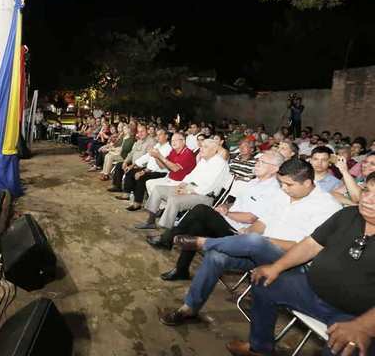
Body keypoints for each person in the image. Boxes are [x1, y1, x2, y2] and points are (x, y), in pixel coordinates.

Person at [159, 159, 341, 327]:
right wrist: (244, 239)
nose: (284, 188)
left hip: (289, 262)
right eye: (281, 184)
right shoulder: (283, 195)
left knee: (256, 241)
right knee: (217, 257)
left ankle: (203, 242)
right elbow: (262, 223)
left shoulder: (327, 207)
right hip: (257, 250)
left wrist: (259, 241)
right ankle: (189, 308)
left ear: (308, 183)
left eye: (289, 185)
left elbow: (304, 247)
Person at [227, 172, 375, 356]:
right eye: (367, 190)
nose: (367, 199)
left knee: (346, 347)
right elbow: (311, 245)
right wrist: (276, 267)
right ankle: (259, 347)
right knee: (264, 280)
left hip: (356, 315)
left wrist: (364, 326)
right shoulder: (347, 215)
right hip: (311, 290)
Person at [148, 150, 284, 282]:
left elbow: (251, 218)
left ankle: (168, 238)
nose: (257, 163)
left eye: (262, 162)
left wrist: (228, 213)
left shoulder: (273, 191)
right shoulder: (254, 182)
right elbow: (238, 204)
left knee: (201, 210)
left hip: (239, 234)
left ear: (274, 169)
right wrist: (226, 206)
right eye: (258, 160)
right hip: (227, 222)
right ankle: (181, 270)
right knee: (197, 226)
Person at [136, 138, 229, 229]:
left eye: (205, 147)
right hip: (191, 189)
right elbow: (191, 176)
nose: (201, 149)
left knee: (174, 200)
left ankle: (165, 234)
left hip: (205, 196)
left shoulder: (220, 164)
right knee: (158, 189)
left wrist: (188, 190)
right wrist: (182, 185)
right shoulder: (204, 160)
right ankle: (150, 221)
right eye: (201, 146)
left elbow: (208, 187)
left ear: (213, 150)